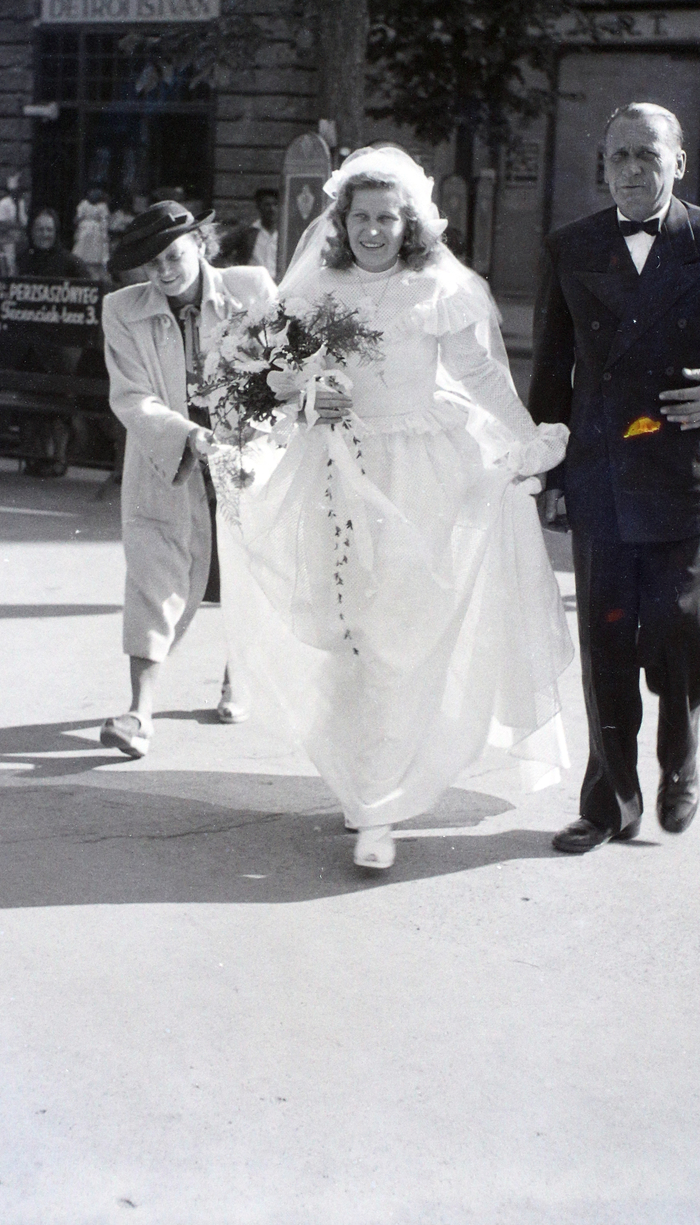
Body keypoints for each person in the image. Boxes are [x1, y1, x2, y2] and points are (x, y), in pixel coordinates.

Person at [217, 146, 573, 871]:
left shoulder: (439, 286)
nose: (373, 230)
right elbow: (273, 378)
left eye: (387, 217)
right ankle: (363, 783)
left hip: (420, 474)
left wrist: (528, 436)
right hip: (334, 472)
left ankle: (380, 804)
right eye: (361, 217)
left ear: (410, 222)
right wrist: (311, 399)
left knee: (398, 637)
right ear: (341, 221)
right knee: (346, 636)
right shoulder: (316, 285)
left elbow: (479, 374)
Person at [529, 103, 700, 854]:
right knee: (606, 643)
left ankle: (680, 754)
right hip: (601, 472)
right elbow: (552, 371)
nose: (631, 170)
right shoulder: (571, 246)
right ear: (604, 164)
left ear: (678, 163)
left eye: (647, 156)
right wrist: (548, 472)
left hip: (687, 472)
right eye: (618, 155)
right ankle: (609, 803)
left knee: (680, 633)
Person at [98, 200, 275, 758]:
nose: (164, 272)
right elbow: (132, 396)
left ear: (201, 244)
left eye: (174, 256)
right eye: (152, 265)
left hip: (245, 454)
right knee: (153, 577)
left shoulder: (251, 289)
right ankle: (138, 714)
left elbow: (285, 370)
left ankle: (237, 677)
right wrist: (187, 436)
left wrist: (255, 433)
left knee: (248, 569)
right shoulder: (121, 310)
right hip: (166, 458)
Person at [15, 209, 88, 478]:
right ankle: (33, 457)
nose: (44, 235)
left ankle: (58, 458)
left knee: (58, 403)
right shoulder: (23, 259)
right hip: (30, 344)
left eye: (49, 230)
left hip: (60, 347)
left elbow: (88, 295)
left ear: (56, 233)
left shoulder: (70, 262)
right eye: (39, 229)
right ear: (31, 232)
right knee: (30, 402)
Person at [72, 188, 112, 279]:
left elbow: (104, 221)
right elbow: (78, 217)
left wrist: (104, 235)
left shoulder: (102, 206)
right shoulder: (84, 204)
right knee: (81, 253)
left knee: (95, 256)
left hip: (94, 232)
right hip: (85, 230)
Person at [249, 187, 279, 279]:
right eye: (267, 205)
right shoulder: (249, 233)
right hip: (255, 283)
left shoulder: (284, 235)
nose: (272, 209)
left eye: (275, 204)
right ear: (259, 207)